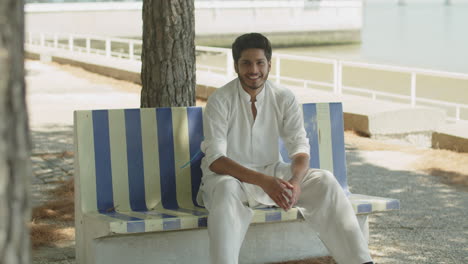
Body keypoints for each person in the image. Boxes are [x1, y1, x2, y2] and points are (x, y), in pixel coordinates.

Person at [196, 33, 374, 264]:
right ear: (236, 66)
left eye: (260, 63)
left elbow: (299, 147)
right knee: (226, 191)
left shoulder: (283, 96)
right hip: (230, 180)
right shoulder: (220, 100)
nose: (253, 70)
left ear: (269, 64)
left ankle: (360, 261)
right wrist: (264, 181)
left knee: (325, 181)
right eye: (246, 63)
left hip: (271, 173)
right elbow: (216, 160)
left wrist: (297, 183)